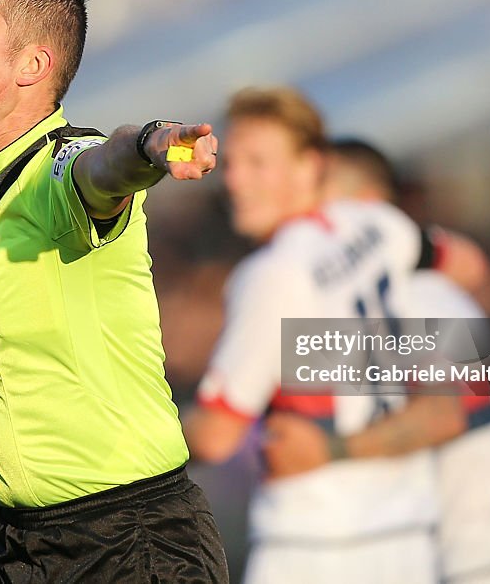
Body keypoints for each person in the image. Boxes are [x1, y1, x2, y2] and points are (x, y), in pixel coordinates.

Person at [0, 0, 227, 583]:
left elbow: (104, 164)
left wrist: (155, 143)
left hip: (132, 542)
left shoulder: (55, 171)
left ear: (33, 64)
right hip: (22, 542)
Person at [183, 87, 475, 583]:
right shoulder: (378, 224)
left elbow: (215, 437)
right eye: (230, 162)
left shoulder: (272, 274)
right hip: (407, 537)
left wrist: (122, 427)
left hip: (315, 538)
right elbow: (468, 263)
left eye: (258, 163)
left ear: (309, 166)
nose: (235, 180)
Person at [263, 138, 490, 584]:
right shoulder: (392, 294)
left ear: (367, 203)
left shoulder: (417, 293)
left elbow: (451, 412)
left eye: (319, 191)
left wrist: (326, 451)